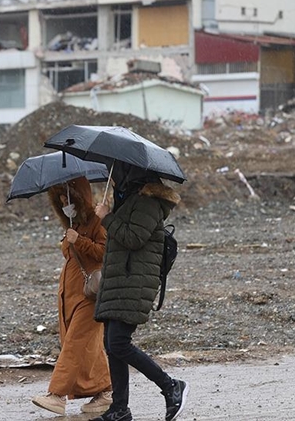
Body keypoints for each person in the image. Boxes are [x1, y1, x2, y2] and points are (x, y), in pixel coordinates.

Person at [89, 162, 189, 421]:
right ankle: (120, 409)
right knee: (112, 345)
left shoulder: (148, 203)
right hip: (120, 281)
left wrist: (106, 217)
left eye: (119, 173)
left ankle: (171, 386)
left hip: (135, 282)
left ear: (131, 175)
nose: (115, 179)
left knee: (119, 343)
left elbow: (133, 238)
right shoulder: (130, 199)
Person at [32, 177, 113, 416]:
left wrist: (80, 241)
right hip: (70, 295)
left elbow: (104, 252)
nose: (65, 203)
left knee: (75, 343)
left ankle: (56, 395)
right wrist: (70, 240)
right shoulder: (73, 224)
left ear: (80, 197)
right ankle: (105, 391)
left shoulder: (98, 221)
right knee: (86, 345)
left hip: (89, 294)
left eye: (68, 198)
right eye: (60, 200)